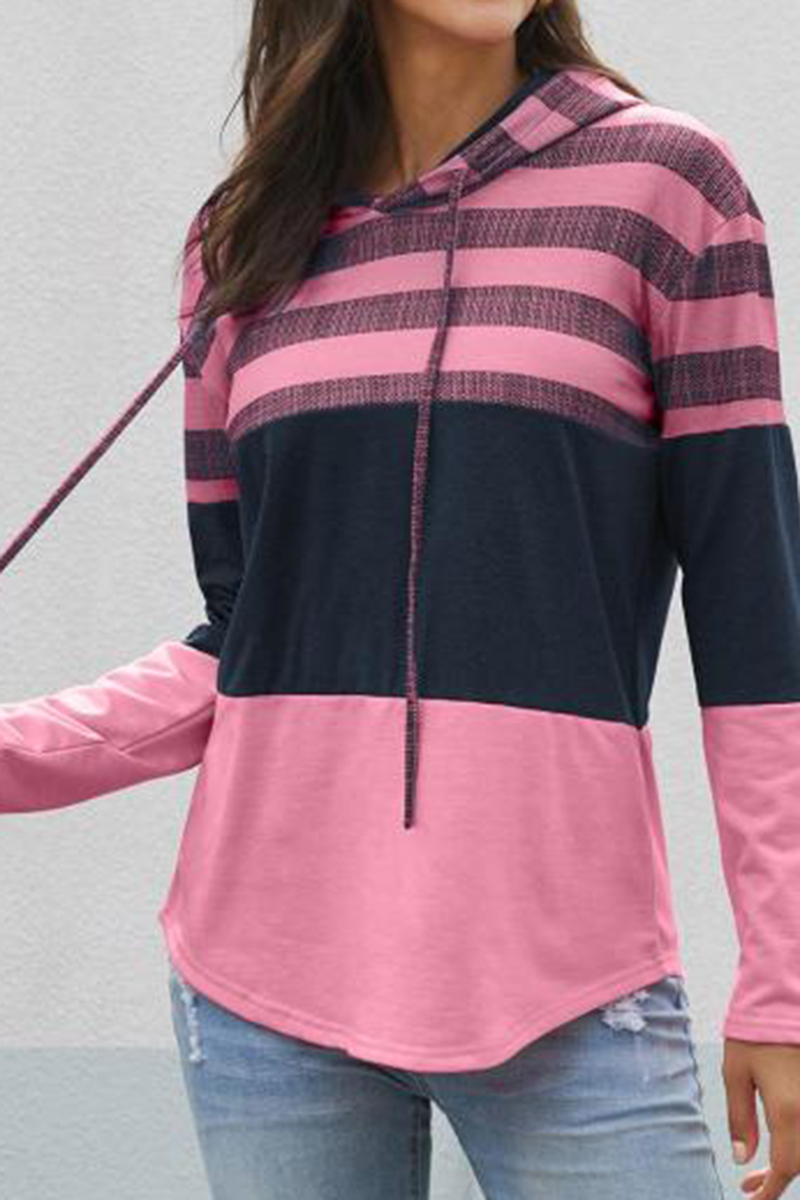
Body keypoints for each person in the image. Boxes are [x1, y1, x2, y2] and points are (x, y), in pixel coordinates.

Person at [3, 1, 800, 1196]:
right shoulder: (243, 239)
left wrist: (782, 979)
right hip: (260, 984)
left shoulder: (663, 188)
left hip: (563, 982)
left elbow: (756, 630)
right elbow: (246, 641)